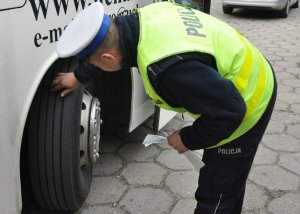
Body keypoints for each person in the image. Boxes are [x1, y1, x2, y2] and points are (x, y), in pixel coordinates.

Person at [51, 2, 277, 213]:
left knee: (217, 192)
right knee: (227, 182)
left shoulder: (167, 69)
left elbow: (230, 112)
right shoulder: (144, 18)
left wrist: (187, 138)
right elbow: (110, 48)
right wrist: (79, 76)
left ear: (108, 59)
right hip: (239, 73)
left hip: (250, 99)